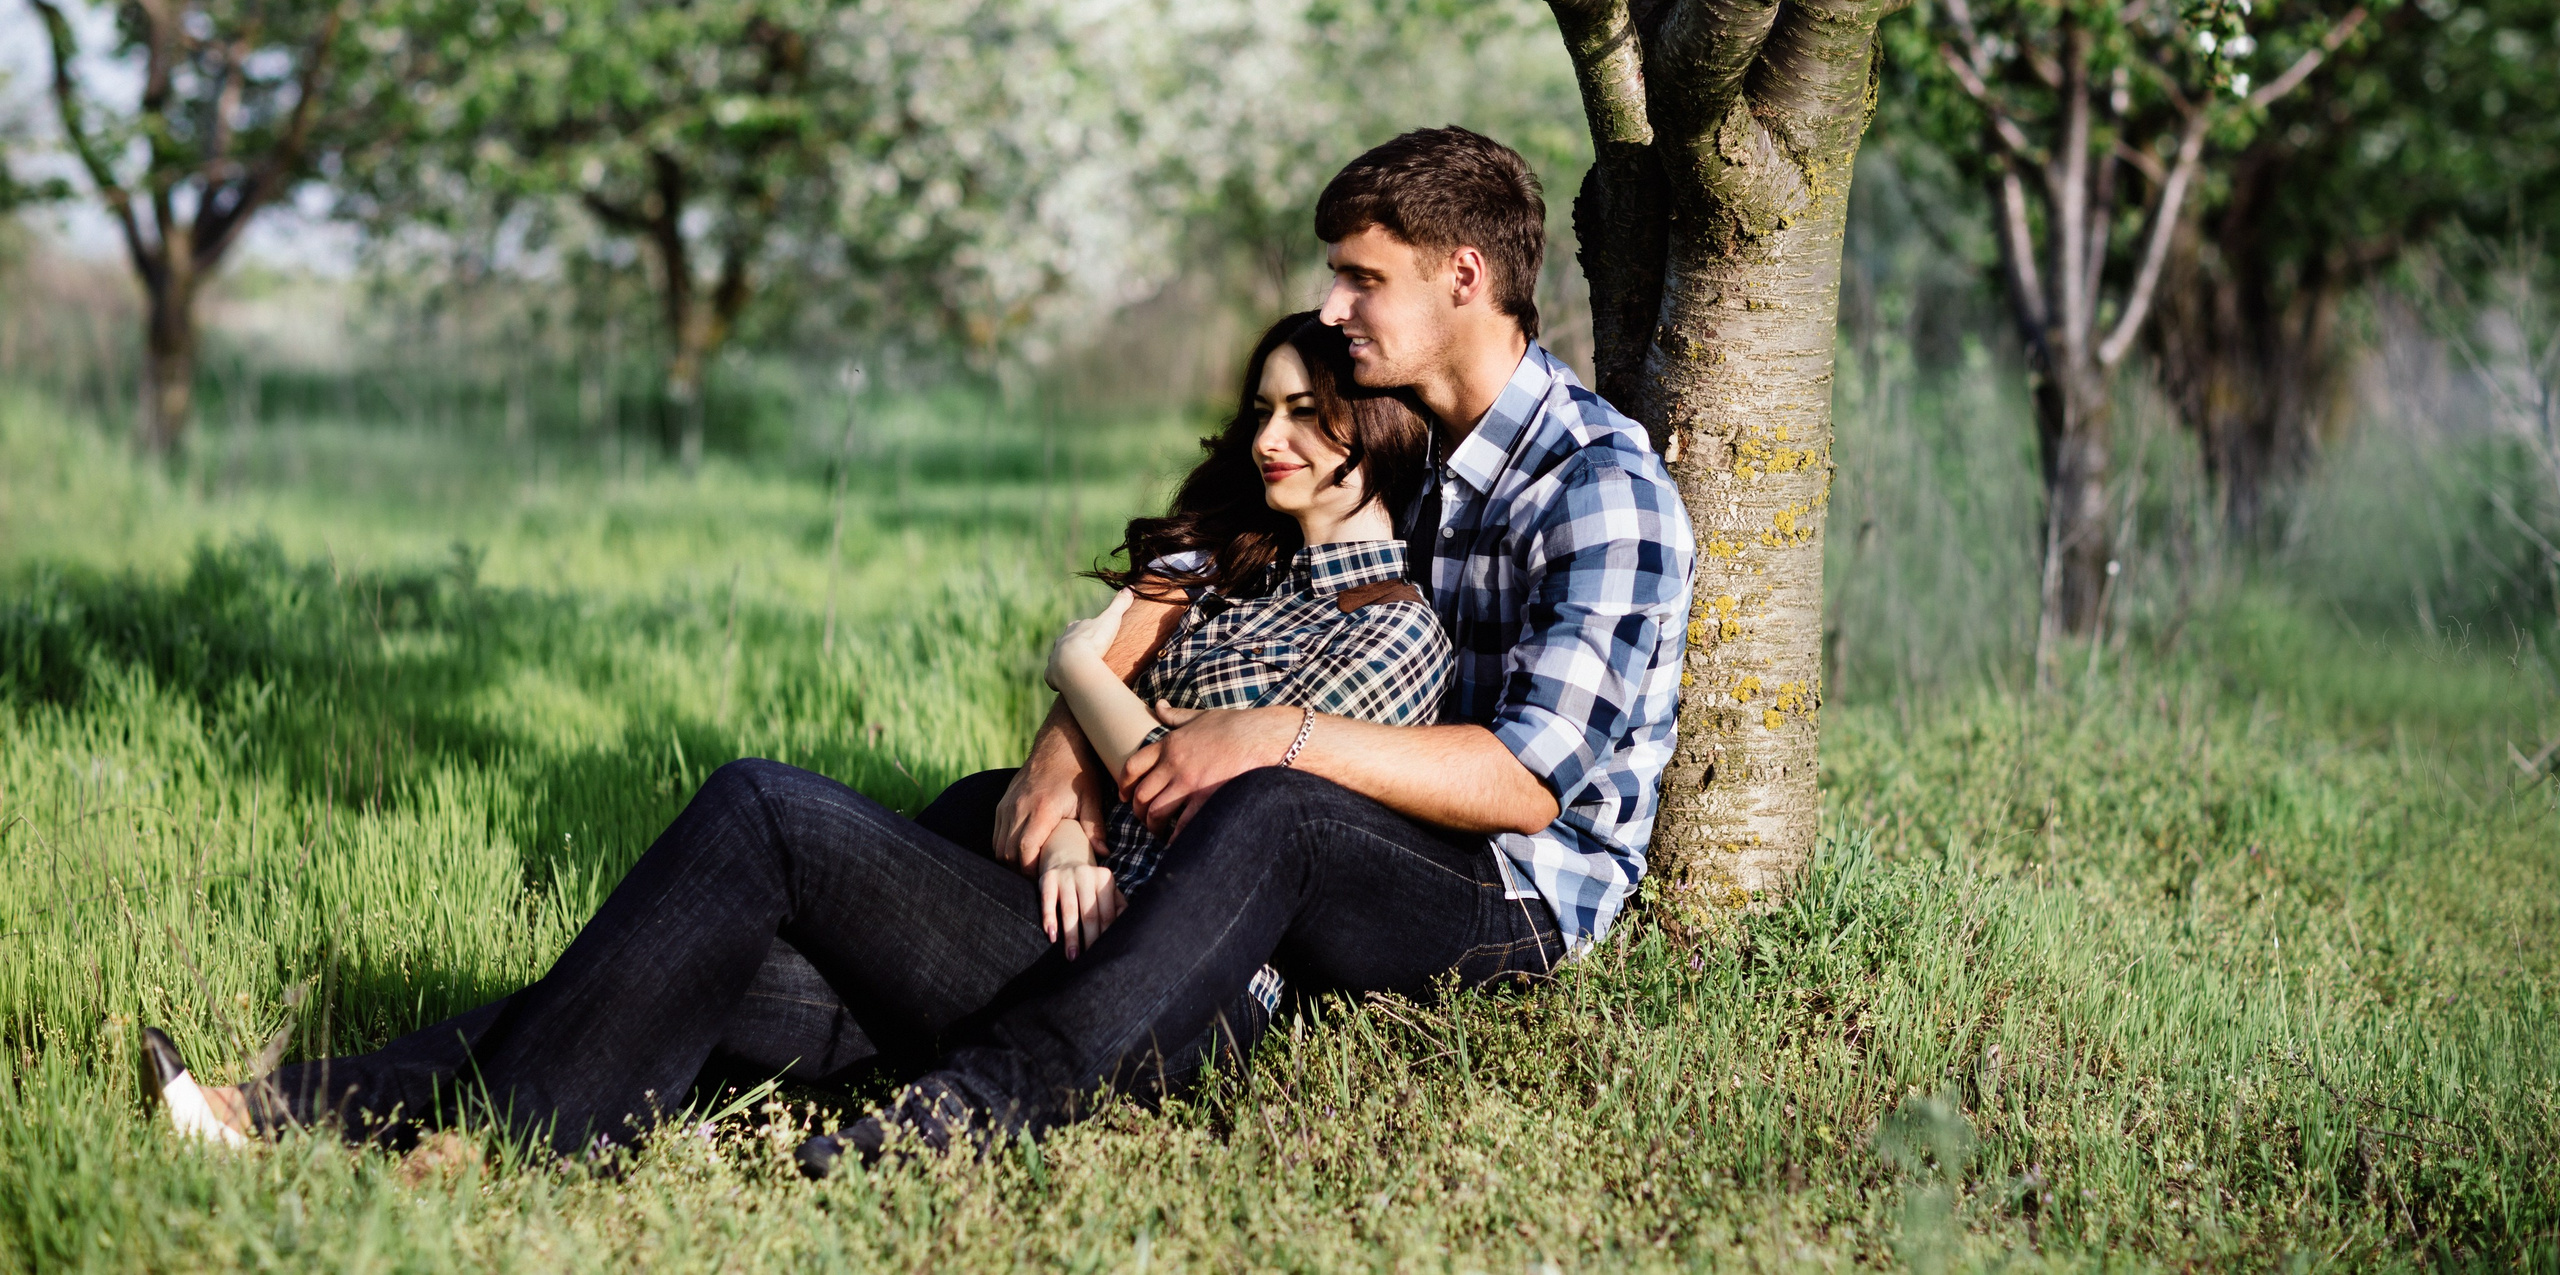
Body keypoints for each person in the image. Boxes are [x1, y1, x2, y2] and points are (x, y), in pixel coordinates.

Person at [150, 125, 1697, 1171]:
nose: (1330, 307)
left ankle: (989, 1096)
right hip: (1239, 880)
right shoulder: (1403, 453)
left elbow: (1524, 785)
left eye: (1360, 278)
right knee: (769, 973)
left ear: (1462, 278)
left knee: (796, 808)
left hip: (1492, 901)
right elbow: (1168, 595)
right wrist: (1066, 765)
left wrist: (1259, 743)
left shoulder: (1600, 486)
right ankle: (296, 1109)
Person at [143, 314, 1449, 1155]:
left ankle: (491, 1155)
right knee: (678, 966)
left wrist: (1083, 693)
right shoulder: (1236, 572)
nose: (1269, 437)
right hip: (1046, 920)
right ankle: (272, 1115)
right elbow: (1119, 744)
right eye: (1264, 409)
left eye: (1309, 415)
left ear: (1375, 430)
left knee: (765, 809)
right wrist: (1076, 812)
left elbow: (1200, 800)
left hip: (1161, 998)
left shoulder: (1396, 639)